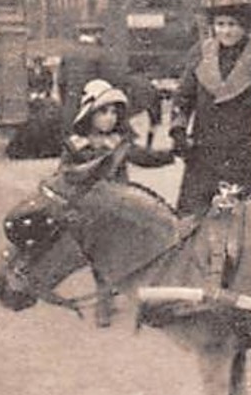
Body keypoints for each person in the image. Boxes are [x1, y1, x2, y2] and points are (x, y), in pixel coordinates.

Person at [59, 78, 177, 326]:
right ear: (89, 113)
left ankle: (140, 295)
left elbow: (142, 157)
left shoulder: (119, 142)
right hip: (92, 208)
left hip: (121, 203)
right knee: (99, 251)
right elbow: (66, 174)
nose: (109, 118)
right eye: (103, 112)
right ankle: (103, 297)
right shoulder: (76, 145)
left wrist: (170, 155)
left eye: (114, 112)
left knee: (137, 244)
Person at [169, 0, 251, 216]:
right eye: (220, 24)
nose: (226, 31)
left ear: (245, 27)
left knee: (250, 220)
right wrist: (179, 130)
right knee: (194, 218)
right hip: (204, 153)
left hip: (247, 155)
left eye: (233, 25)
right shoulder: (200, 54)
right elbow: (182, 98)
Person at [58, 22, 117, 134]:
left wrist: (67, 102)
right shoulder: (100, 53)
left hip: (71, 107)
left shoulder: (68, 53)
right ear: (96, 34)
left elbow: (61, 82)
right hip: (91, 108)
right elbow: (107, 83)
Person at [6, 55, 65, 159]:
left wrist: (44, 93)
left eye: (39, 61)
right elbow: (24, 86)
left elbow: (49, 84)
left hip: (43, 97)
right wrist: (31, 94)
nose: (38, 63)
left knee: (47, 113)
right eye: (36, 61)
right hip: (31, 99)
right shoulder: (27, 73)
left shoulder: (47, 72)